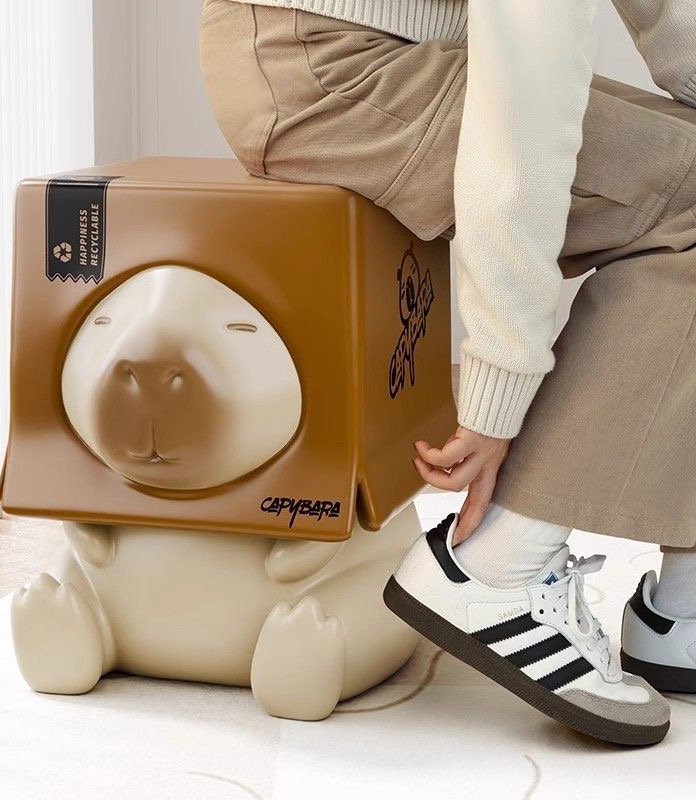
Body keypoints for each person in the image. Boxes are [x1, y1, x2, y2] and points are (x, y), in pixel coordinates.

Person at [199, 0, 696, 744]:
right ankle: (500, 565)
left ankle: (682, 607)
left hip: (371, 48)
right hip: (329, 70)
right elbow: (523, 117)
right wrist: (499, 383)